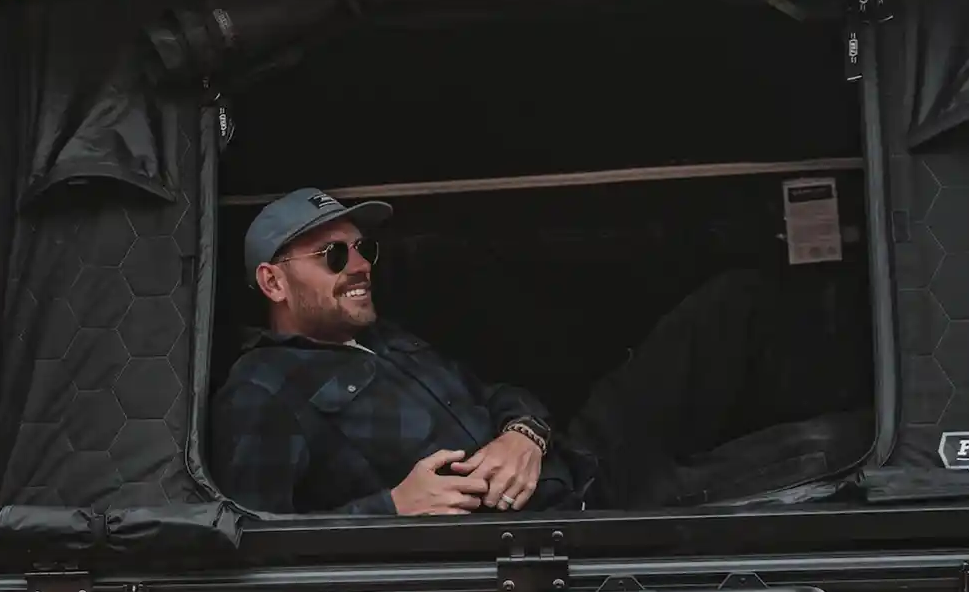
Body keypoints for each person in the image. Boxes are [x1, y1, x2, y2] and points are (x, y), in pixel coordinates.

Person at [208, 187, 869, 516]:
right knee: (842, 447)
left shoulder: (386, 337)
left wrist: (521, 434)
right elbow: (254, 542)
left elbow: (499, 391)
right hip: (581, 519)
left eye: (364, 249)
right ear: (273, 281)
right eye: (334, 254)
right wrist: (393, 508)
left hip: (581, 450)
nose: (359, 266)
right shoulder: (264, 389)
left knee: (735, 302)